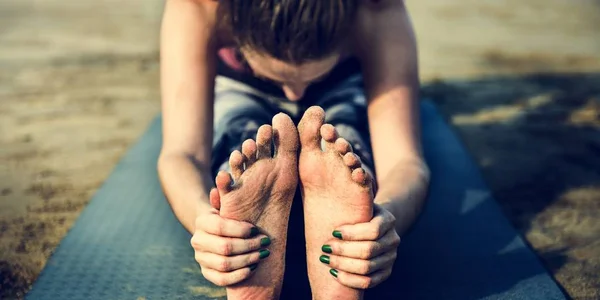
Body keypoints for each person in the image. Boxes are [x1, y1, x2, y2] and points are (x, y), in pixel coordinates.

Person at [158, 0, 430, 299]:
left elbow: (404, 160)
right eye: (278, 77)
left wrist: (386, 217)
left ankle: (349, 199)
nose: (295, 96)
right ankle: (240, 201)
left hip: (339, 85)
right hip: (240, 85)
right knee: (243, 139)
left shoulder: (376, 7)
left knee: (342, 147)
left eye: (309, 77)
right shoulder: (200, 5)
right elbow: (183, 153)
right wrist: (206, 222)